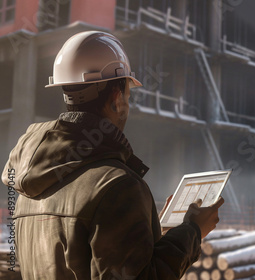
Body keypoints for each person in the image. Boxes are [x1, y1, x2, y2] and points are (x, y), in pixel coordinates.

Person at [1, 31, 223, 279]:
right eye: (128, 96)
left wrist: (147, 227)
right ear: (117, 99)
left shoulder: (28, 187)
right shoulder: (117, 186)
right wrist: (192, 231)